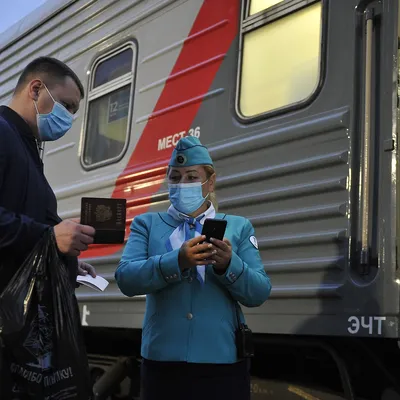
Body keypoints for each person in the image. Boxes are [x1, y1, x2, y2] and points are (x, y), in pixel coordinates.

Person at [115, 136, 272, 400]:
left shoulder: (238, 226)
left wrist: (228, 265)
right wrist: (177, 261)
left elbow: (259, 292)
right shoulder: (147, 224)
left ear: (209, 182)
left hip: (222, 362)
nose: (181, 184)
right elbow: (126, 279)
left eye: (190, 177)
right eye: (175, 177)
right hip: (163, 361)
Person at [0, 57, 96, 399]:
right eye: (67, 106)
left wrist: (63, 259)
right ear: (36, 89)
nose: (69, 118)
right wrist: (48, 237)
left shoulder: (26, 149)